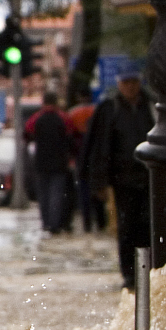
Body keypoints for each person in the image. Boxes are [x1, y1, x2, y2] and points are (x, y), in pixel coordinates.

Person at [84, 68, 156, 288]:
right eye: (126, 83)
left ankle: (149, 272)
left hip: (150, 179)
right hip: (122, 181)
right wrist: (99, 183)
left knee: (148, 227)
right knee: (126, 228)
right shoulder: (109, 109)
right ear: (120, 85)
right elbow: (99, 146)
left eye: (134, 82)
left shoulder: (151, 106)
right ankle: (130, 274)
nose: (130, 87)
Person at [25, 91, 74, 233]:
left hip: (41, 162)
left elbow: (27, 134)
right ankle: (54, 224)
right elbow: (71, 137)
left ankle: (46, 222)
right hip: (59, 162)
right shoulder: (63, 117)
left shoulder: (36, 118)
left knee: (43, 195)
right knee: (56, 194)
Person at [67, 98, 105, 231]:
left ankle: (87, 224)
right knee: (98, 195)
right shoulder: (97, 112)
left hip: (81, 161)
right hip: (95, 163)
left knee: (85, 196)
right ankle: (101, 223)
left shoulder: (73, 113)